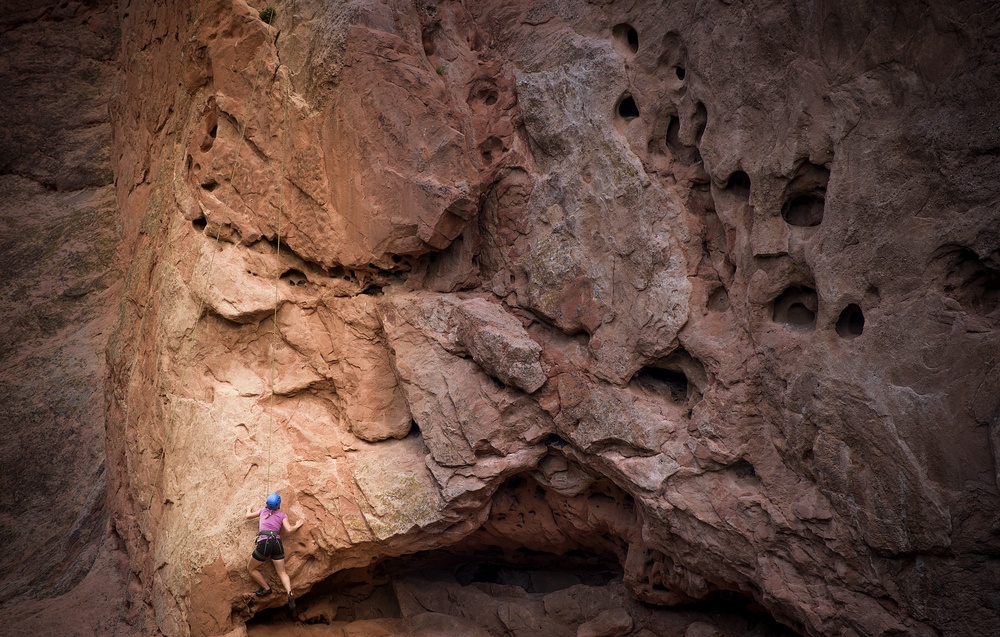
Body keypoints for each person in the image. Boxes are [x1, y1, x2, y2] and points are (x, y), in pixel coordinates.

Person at [245, 492, 304, 609]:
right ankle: (289, 593)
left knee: (250, 568)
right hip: (276, 542)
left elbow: (248, 516)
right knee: (282, 572)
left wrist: (248, 508)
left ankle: (266, 589)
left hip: (264, 543)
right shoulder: (282, 515)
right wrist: (297, 525)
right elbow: (289, 529)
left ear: (267, 504)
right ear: (278, 505)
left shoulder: (262, 511)